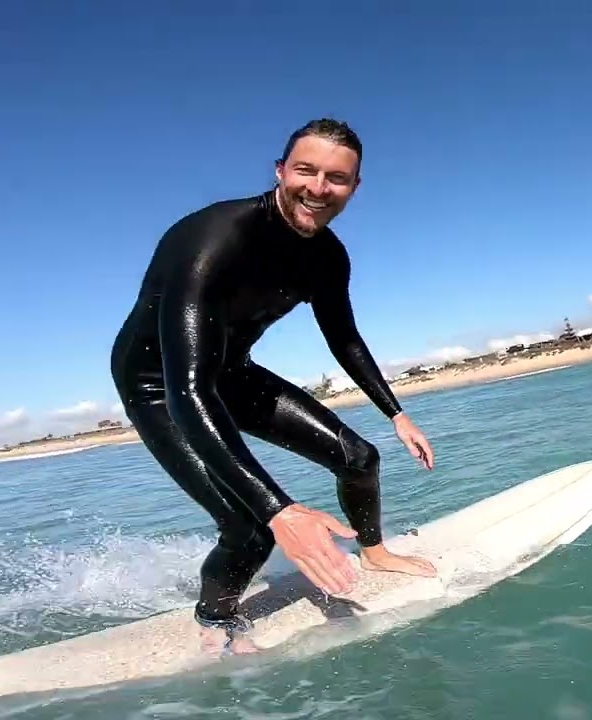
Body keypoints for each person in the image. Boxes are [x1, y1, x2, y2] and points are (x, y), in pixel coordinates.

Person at [110, 118, 437, 656]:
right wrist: (279, 510)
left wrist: (396, 414)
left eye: (337, 178)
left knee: (359, 458)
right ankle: (214, 619)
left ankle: (374, 552)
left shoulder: (328, 257)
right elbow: (188, 390)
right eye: (305, 170)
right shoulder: (211, 240)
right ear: (281, 170)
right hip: (160, 383)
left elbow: (344, 339)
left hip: (230, 370)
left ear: (354, 188)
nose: (318, 188)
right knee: (250, 525)